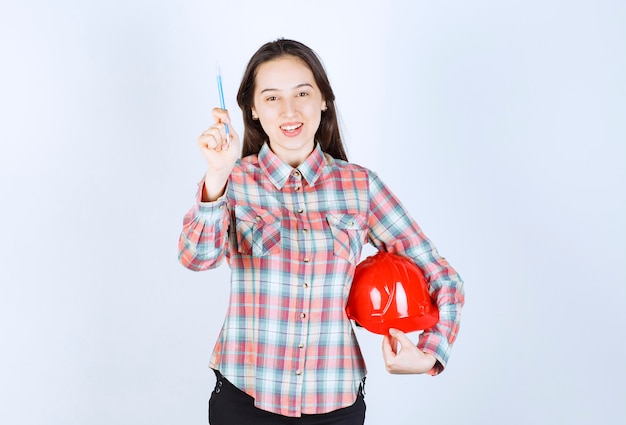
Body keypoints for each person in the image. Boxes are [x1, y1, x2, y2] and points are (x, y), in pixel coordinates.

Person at [178, 38, 465, 425]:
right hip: (245, 399)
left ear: (324, 99)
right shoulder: (235, 179)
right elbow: (196, 257)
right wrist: (217, 175)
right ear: (252, 109)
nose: (290, 110)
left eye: (302, 93)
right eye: (272, 98)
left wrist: (431, 353)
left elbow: (441, 275)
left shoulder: (360, 187)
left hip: (335, 404)